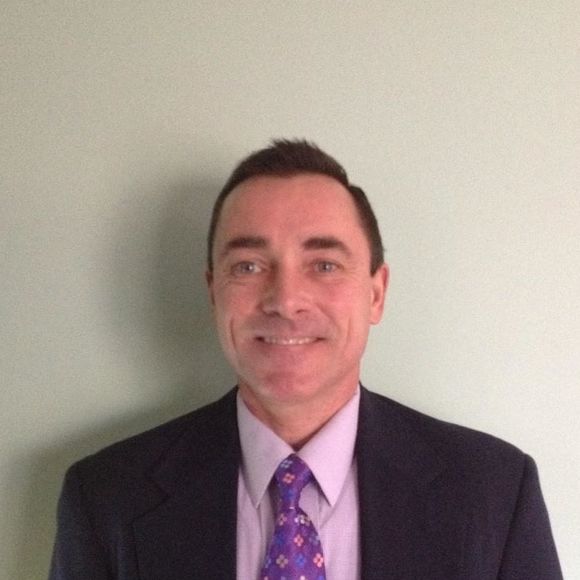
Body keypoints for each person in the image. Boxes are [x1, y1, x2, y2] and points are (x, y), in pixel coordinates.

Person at [49, 140, 562, 579]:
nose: (286, 300)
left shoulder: (495, 493)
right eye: (248, 266)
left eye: (324, 264)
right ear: (213, 293)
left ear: (376, 293)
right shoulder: (105, 498)